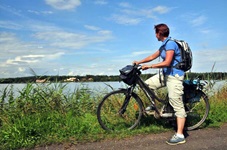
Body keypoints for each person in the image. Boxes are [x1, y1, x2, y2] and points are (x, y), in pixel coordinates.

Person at [133, 23, 187, 145]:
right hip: (165, 74)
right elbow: (153, 56)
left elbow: (167, 62)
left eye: (155, 33)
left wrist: (150, 66)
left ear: (159, 33)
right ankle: (154, 105)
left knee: (176, 103)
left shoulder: (171, 44)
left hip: (174, 76)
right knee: (148, 85)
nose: (155, 35)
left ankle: (180, 135)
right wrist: (139, 62)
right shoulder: (164, 44)